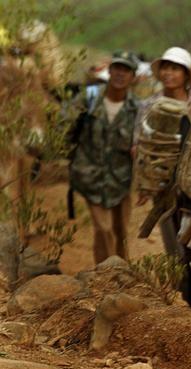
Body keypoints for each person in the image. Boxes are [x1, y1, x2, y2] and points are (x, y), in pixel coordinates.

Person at [67, 51, 140, 264]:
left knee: (121, 230)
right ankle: (105, 274)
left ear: (133, 76)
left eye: (126, 70)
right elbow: (65, 124)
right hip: (90, 175)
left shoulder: (137, 108)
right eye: (117, 68)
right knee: (103, 228)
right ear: (109, 71)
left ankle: (122, 273)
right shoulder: (88, 97)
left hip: (121, 179)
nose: (120, 74)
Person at [134, 46, 191, 256]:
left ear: (186, 75)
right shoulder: (149, 105)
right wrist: (144, 183)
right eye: (165, 68)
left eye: (175, 69)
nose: (169, 73)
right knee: (173, 242)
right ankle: (182, 283)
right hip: (162, 183)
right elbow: (139, 145)